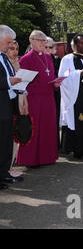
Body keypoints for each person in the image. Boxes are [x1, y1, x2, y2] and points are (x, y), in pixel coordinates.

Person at [16, 30, 60, 167]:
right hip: (34, 100)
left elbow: (50, 76)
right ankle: (31, 160)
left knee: (48, 128)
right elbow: (21, 82)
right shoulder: (25, 59)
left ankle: (47, 157)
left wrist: (56, 84)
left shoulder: (48, 58)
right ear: (31, 41)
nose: (43, 43)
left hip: (49, 99)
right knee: (34, 129)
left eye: (44, 41)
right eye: (40, 40)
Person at [0, 25, 24, 189]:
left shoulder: (3, 57)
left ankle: (3, 173)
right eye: (8, 42)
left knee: (6, 141)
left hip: (7, 105)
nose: (10, 45)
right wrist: (10, 82)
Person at [6, 40, 27, 177]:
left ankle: (10, 165)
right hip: (9, 102)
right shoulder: (4, 65)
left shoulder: (18, 63)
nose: (15, 52)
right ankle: (7, 167)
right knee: (9, 135)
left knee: (17, 134)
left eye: (17, 48)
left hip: (20, 99)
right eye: (11, 49)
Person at [45, 37, 62, 151]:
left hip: (55, 93)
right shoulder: (38, 59)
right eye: (45, 47)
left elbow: (60, 73)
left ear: (54, 49)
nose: (47, 49)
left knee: (55, 119)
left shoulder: (57, 59)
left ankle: (56, 144)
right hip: (42, 93)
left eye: (50, 47)